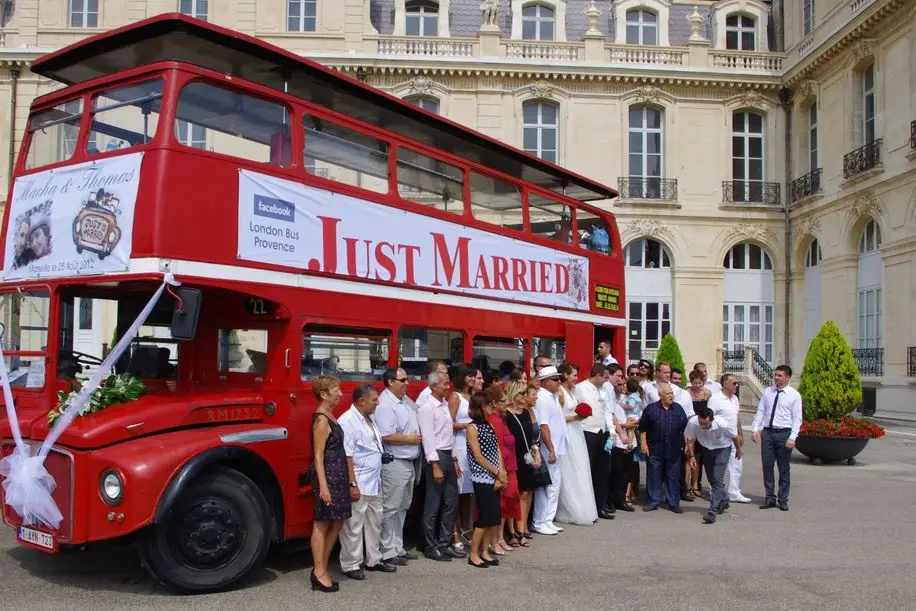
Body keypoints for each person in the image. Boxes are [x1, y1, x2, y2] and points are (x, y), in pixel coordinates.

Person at [338, 385, 394, 580]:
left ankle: (373, 559)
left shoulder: (369, 418)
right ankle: (351, 564)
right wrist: (352, 484)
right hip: (359, 481)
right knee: (353, 525)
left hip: (374, 480)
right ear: (361, 401)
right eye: (374, 400)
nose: (378, 403)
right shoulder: (348, 421)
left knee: (374, 521)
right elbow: (347, 456)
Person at [374, 368, 421, 566]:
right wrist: (410, 439)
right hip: (395, 462)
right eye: (403, 380)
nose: (407, 383)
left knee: (403, 506)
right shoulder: (385, 404)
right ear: (390, 381)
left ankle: (397, 547)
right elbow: (386, 435)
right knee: (390, 507)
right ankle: (386, 550)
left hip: (408, 461)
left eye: (407, 379)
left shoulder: (404, 401)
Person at [307, 375, 349, 593]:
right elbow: (318, 454)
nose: (340, 393)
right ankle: (319, 571)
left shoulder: (330, 415)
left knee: (337, 521)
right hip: (328, 476)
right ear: (323, 394)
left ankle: (321, 566)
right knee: (322, 523)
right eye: (336, 390)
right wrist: (323, 486)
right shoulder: (322, 420)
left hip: (337, 474)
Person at [416, 371, 462, 561]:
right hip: (436, 457)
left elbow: (447, 434)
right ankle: (430, 545)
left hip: (447, 455)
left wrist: (454, 459)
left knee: (451, 501)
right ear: (434, 386)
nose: (448, 386)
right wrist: (434, 464)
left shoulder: (443, 405)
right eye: (444, 383)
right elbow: (428, 437)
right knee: (433, 503)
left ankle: (444, 543)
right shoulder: (428, 407)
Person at [751, 365, 803, 511]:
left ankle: (783, 498)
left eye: (780, 375)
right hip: (768, 432)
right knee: (767, 466)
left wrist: (792, 437)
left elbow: (797, 418)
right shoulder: (768, 392)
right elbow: (761, 410)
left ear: (788, 377)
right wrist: (755, 428)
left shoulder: (794, 395)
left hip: (784, 433)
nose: (776, 378)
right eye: (776, 375)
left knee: (783, 467)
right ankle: (769, 498)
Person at [465, 392, 506, 568]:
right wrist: (497, 472)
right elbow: (478, 456)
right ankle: (473, 553)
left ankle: (485, 551)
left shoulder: (488, 424)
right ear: (480, 407)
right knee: (484, 515)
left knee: (494, 517)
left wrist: (502, 471)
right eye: (488, 405)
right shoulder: (472, 428)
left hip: (495, 474)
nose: (491, 407)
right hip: (481, 476)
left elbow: (497, 448)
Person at [555, 363, 598, 525]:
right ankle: (570, 509)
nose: (576, 377)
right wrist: (575, 418)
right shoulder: (560, 392)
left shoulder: (571, 392)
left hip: (576, 432)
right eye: (573, 374)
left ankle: (584, 508)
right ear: (565, 375)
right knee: (570, 469)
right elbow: (557, 417)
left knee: (580, 468)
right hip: (567, 433)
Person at [639, 383, 689, 513]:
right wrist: (643, 444)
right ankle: (653, 501)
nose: (671, 396)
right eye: (668, 393)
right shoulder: (651, 409)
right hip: (655, 449)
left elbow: (685, 430)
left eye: (672, 393)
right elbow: (643, 429)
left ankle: (673, 502)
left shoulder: (678, 409)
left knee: (673, 476)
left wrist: (688, 446)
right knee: (654, 475)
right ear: (660, 395)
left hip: (674, 449)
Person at [573, 363, 614, 519]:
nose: (605, 380)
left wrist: (611, 431)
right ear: (597, 375)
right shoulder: (580, 388)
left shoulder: (603, 390)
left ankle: (600, 505)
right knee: (587, 469)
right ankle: (585, 506)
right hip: (587, 432)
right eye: (604, 377)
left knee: (602, 471)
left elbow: (607, 411)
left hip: (602, 432)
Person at [531, 366, 568, 535]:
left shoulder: (552, 397)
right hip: (547, 448)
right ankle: (539, 521)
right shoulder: (543, 399)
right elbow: (543, 426)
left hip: (555, 447)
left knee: (554, 485)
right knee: (545, 486)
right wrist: (551, 449)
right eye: (555, 379)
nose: (558, 382)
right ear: (545, 383)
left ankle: (547, 519)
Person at [685, 405, 737, 524]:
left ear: (712, 420)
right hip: (706, 448)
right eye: (701, 423)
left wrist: (738, 450)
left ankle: (712, 511)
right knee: (711, 478)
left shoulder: (722, 424)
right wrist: (692, 456)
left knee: (717, 478)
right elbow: (690, 439)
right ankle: (724, 499)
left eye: (706, 424)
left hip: (722, 448)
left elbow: (735, 436)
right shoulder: (693, 422)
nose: (702, 426)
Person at [484, 384, 521, 551]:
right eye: (503, 401)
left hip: (510, 463)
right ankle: (494, 541)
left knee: (507, 504)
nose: (506, 403)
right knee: (500, 505)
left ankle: (499, 538)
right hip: (502, 466)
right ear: (494, 403)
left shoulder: (501, 419)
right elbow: (496, 447)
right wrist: (501, 471)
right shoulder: (494, 421)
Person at [503, 380, 540, 543]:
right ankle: (514, 531)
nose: (525, 396)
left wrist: (536, 452)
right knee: (515, 495)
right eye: (522, 393)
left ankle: (523, 527)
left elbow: (531, 435)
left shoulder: (525, 412)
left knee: (527, 492)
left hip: (526, 455)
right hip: (513, 456)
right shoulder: (506, 414)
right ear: (514, 394)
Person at [448, 365, 477, 554]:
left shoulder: (472, 396)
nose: (473, 379)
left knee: (468, 493)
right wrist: (466, 426)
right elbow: (448, 423)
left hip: (471, 447)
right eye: (469, 376)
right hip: (459, 445)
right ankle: (454, 534)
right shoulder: (455, 397)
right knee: (456, 494)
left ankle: (467, 529)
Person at [711, 374, 750, 504]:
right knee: (718, 466)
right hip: (720, 438)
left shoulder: (734, 399)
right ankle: (715, 491)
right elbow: (710, 418)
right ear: (725, 384)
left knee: (736, 464)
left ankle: (734, 492)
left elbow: (736, 417)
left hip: (733, 438)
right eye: (734, 383)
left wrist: (740, 433)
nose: (736, 385)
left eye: (737, 383)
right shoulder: (715, 399)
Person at [686, 369, 712, 498]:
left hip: (702, 428)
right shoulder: (686, 392)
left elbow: (710, 411)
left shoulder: (707, 393)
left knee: (698, 458)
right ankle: (687, 485)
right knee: (688, 457)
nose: (697, 386)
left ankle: (696, 484)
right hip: (690, 426)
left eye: (699, 383)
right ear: (691, 382)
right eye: (695, 383)